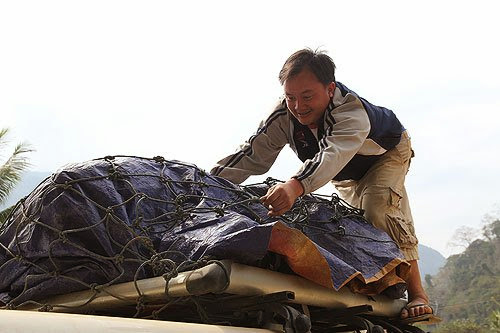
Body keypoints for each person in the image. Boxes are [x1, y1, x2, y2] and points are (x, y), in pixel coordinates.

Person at [210, 48, 432, 320]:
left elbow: (332, 154)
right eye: (290, 97)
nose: (298, 106)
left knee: (379, 208)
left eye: (307, 96)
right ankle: (382, 283)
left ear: (329, 89)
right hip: (345, 174)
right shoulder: (284, 115)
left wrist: (294, 186)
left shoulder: (351, 111)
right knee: (357, 224)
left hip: (384, 156)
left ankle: (418, 293)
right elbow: (253, 153)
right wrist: (210, 181)